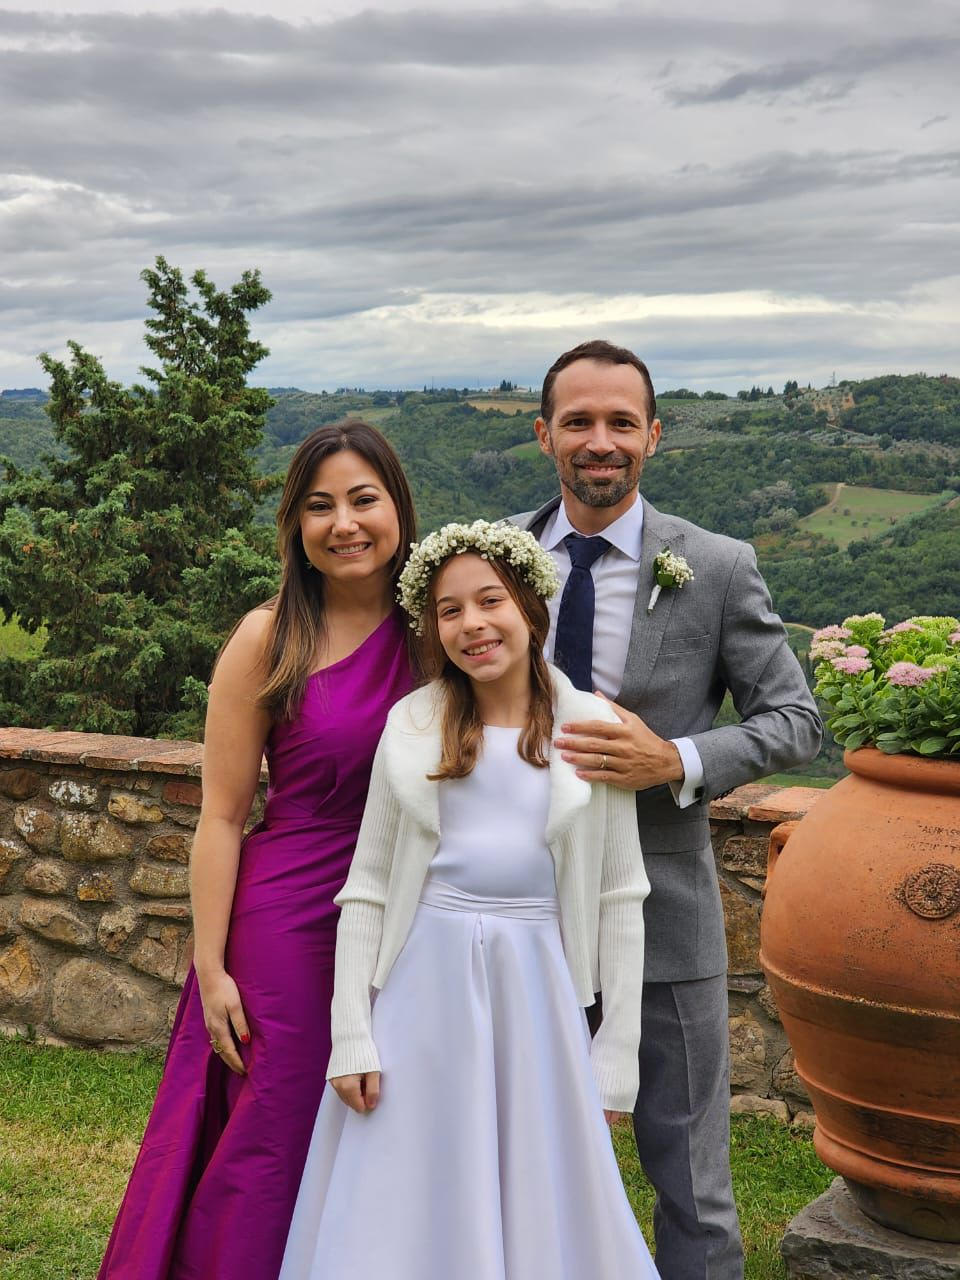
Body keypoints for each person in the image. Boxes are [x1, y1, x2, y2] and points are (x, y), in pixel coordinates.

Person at [278, 520, 660, 1280]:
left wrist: (616, 1051)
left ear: (530, 608)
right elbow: (370, 890)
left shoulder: (592, 728)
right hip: (424, 988)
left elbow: (622, 895)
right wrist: (352, 1032)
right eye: (449, 611)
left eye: (490, 601)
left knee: (542, 1188)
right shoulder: (413, 725)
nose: (473, 625)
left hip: (537, 991)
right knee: (410, 1182)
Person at [514, 341, 822, 1280]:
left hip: (663, 921)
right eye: (578, 421)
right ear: (543, 436)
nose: (598, 441)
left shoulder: (718, 566)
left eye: (619, 422)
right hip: (512, 921)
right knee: (515, 1168)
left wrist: (676, 757)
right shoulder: (498, 558)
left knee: (692, 1192)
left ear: (654, 434)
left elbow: (796, 719)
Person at [98, 420, 418, 1280]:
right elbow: (221, 817)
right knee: (277, 1127)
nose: (344, 523)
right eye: (320, 507)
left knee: (395, 1120)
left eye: (363, 500)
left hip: (420, 916)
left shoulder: (447, 630)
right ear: (296, 528)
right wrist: (209, 967)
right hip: (291, 923)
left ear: (399, 509)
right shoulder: (266, 638)